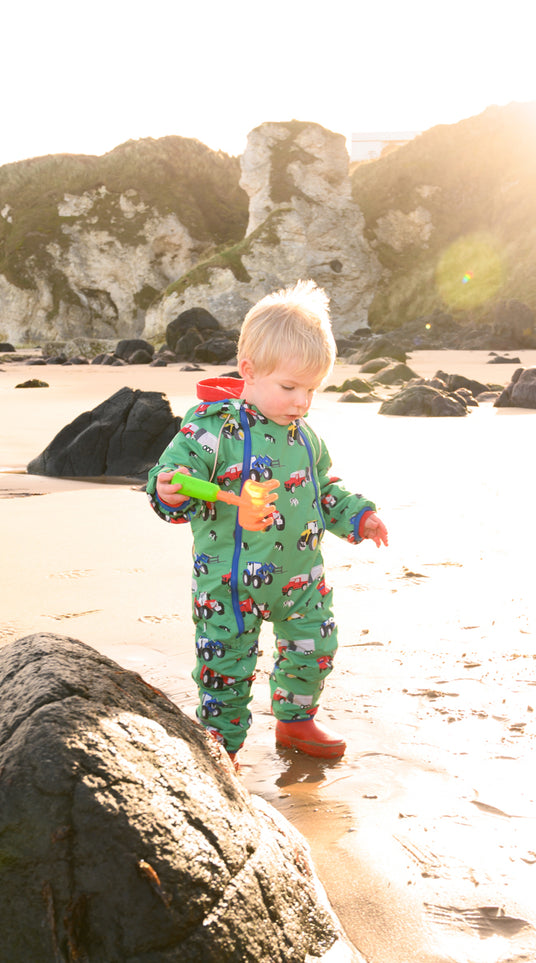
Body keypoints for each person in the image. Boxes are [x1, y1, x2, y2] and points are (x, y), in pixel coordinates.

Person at [148, 280, 388, 762]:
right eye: (289, 387)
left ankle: (296, 723)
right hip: (228, 581)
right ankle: (222, 747)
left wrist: (358, 516)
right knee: (225, 667)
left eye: (311, 390)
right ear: (249, 372)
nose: (301, 401)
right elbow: (174, 476)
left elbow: (323, 490)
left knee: (314, 645)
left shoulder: (305, 438)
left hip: (301, 578)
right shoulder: (213, 428)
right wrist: (168, 489)